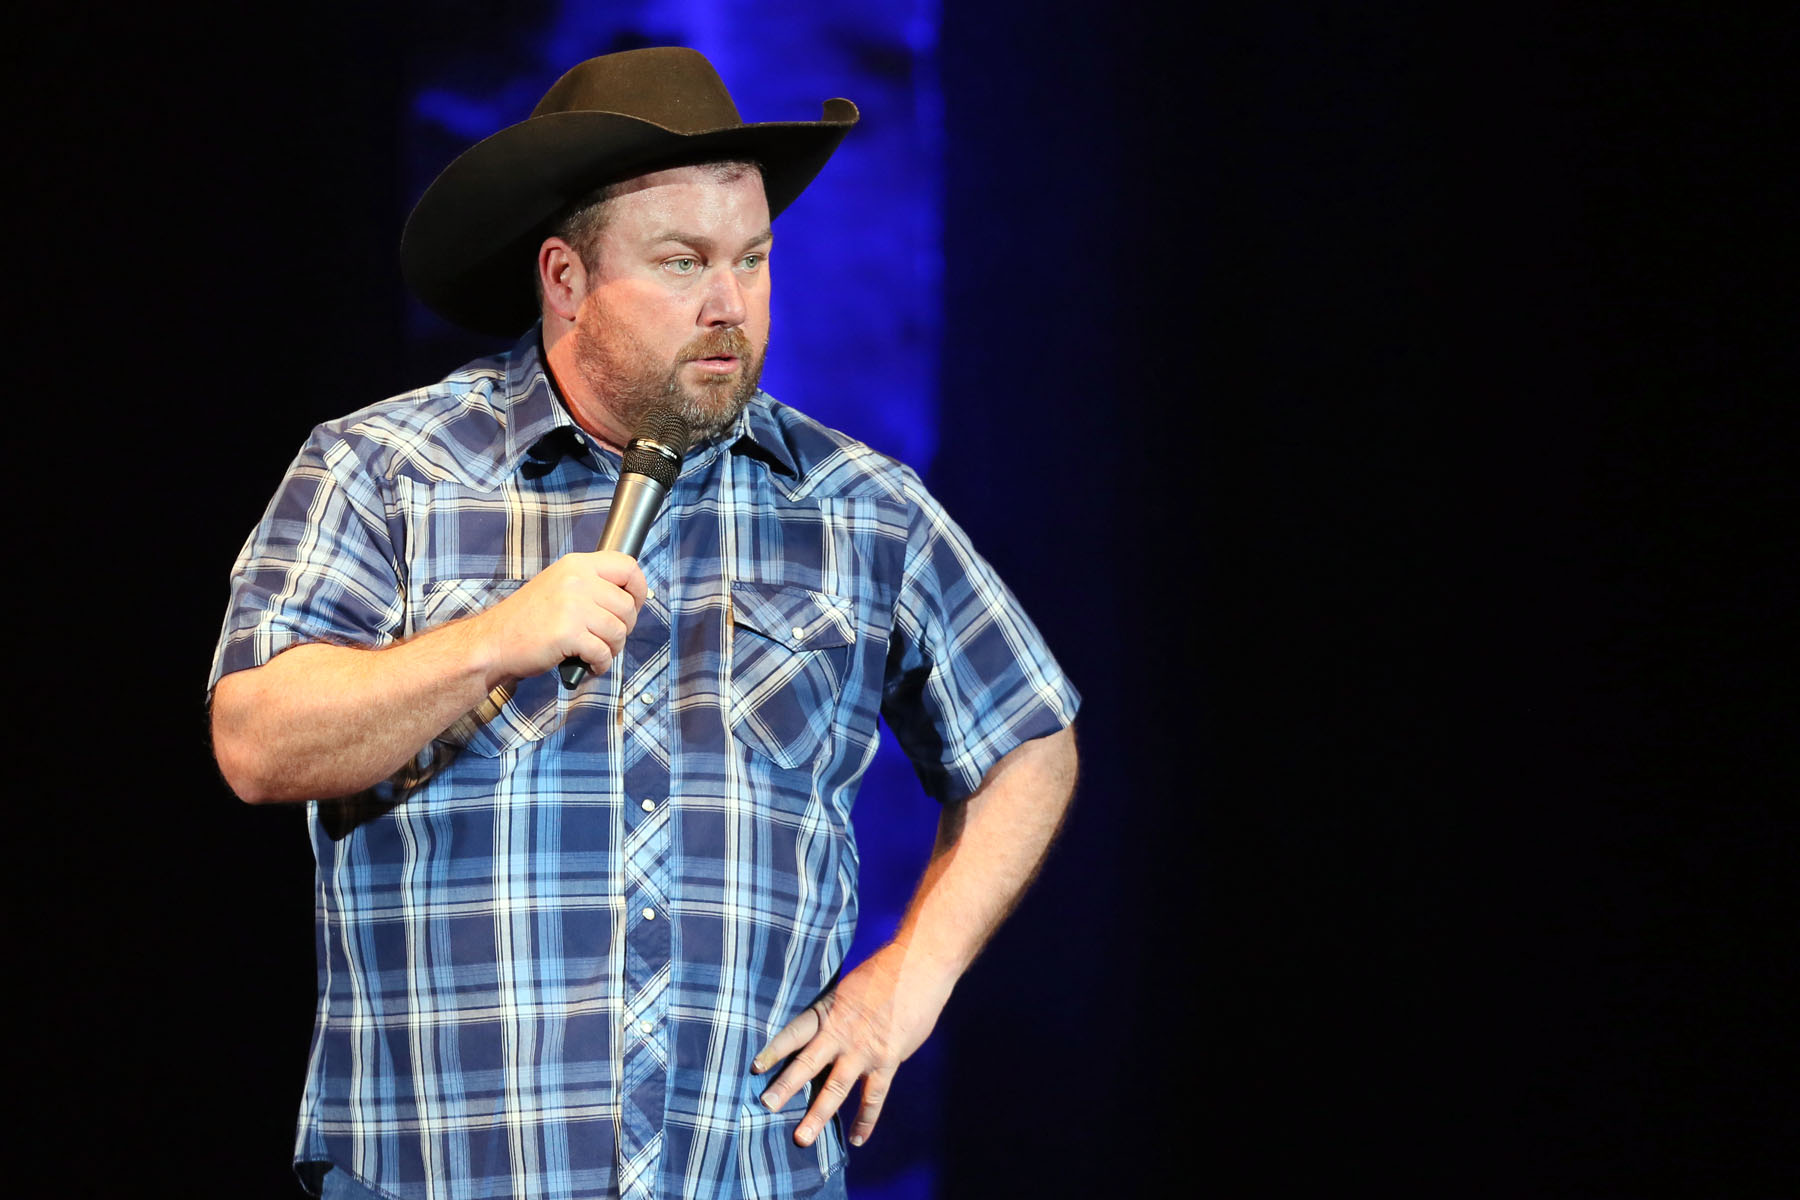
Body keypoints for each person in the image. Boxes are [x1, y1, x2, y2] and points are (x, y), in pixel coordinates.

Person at [209, 46, 1079, 1200]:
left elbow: (1030, 738)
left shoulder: (858, 507)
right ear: (565, 277)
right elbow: (257, 741)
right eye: (682, 262)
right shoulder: (387, 471)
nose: (729, 305)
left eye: (752, 259)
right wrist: (492, 639)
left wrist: (908, 984)